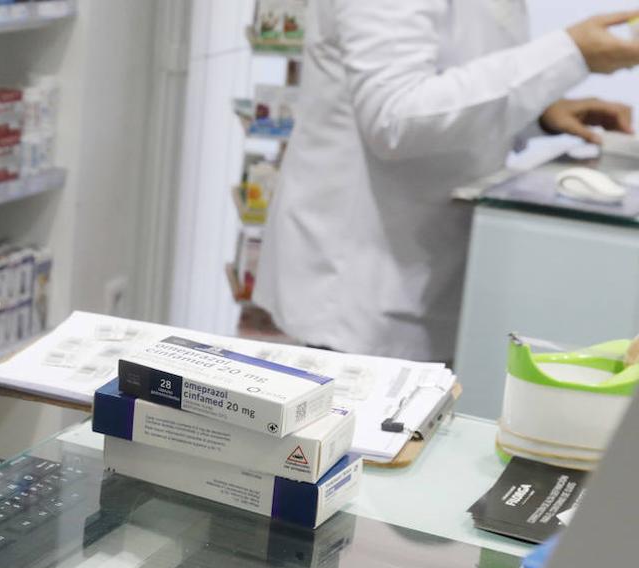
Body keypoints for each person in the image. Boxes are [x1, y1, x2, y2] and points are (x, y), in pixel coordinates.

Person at [255, 2, 639, 362]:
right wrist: (569, 54)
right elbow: (395, 116)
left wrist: (540, 114)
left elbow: (461, 79)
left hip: (432, 267)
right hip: (360, 285)